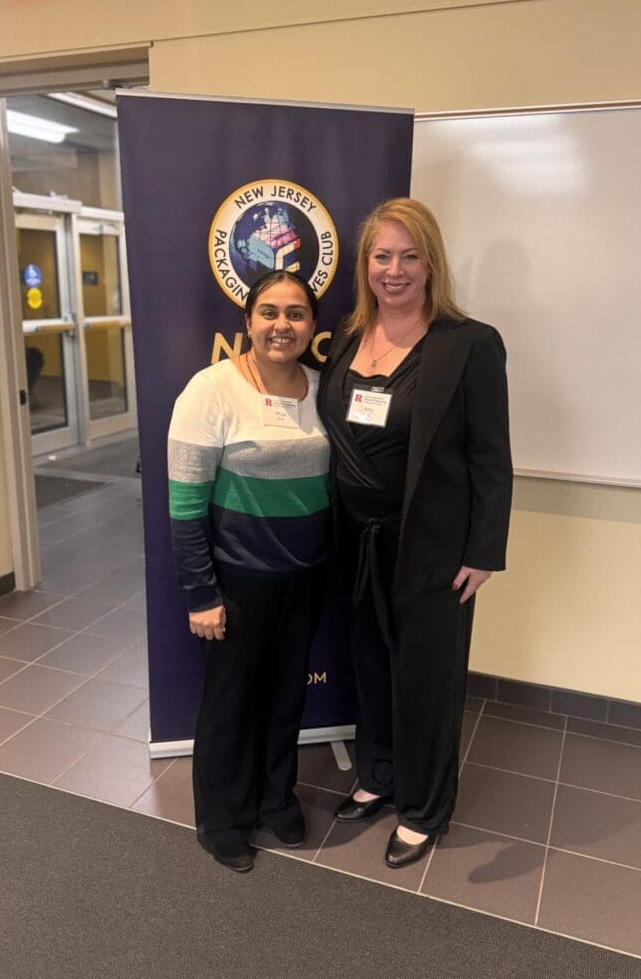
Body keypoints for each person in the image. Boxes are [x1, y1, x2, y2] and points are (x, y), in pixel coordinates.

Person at [318, 197, 512, 869]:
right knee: (370, 662)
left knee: (426, 678)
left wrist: (483, 551)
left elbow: (491, 456)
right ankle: (378, 775)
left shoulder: (469, 344)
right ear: (365, 265)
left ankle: (424, 809)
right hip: (355, 537)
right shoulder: (348, 336)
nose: (394, 270)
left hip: (431, 544)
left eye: (409, 256)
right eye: (382, 256)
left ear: (431, 264)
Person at [167, 270, 330, 873]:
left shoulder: (323, 388)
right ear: (248, 322)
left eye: (296, 313)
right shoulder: (211, 390)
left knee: (286, 697)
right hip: (236, 582)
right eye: (269, 313)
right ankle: (222, 819)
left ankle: (275, 797)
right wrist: (201, 592)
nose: (282, 325)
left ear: (312, 325)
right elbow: (185, 505)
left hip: (305, 577)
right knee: (231, 704)